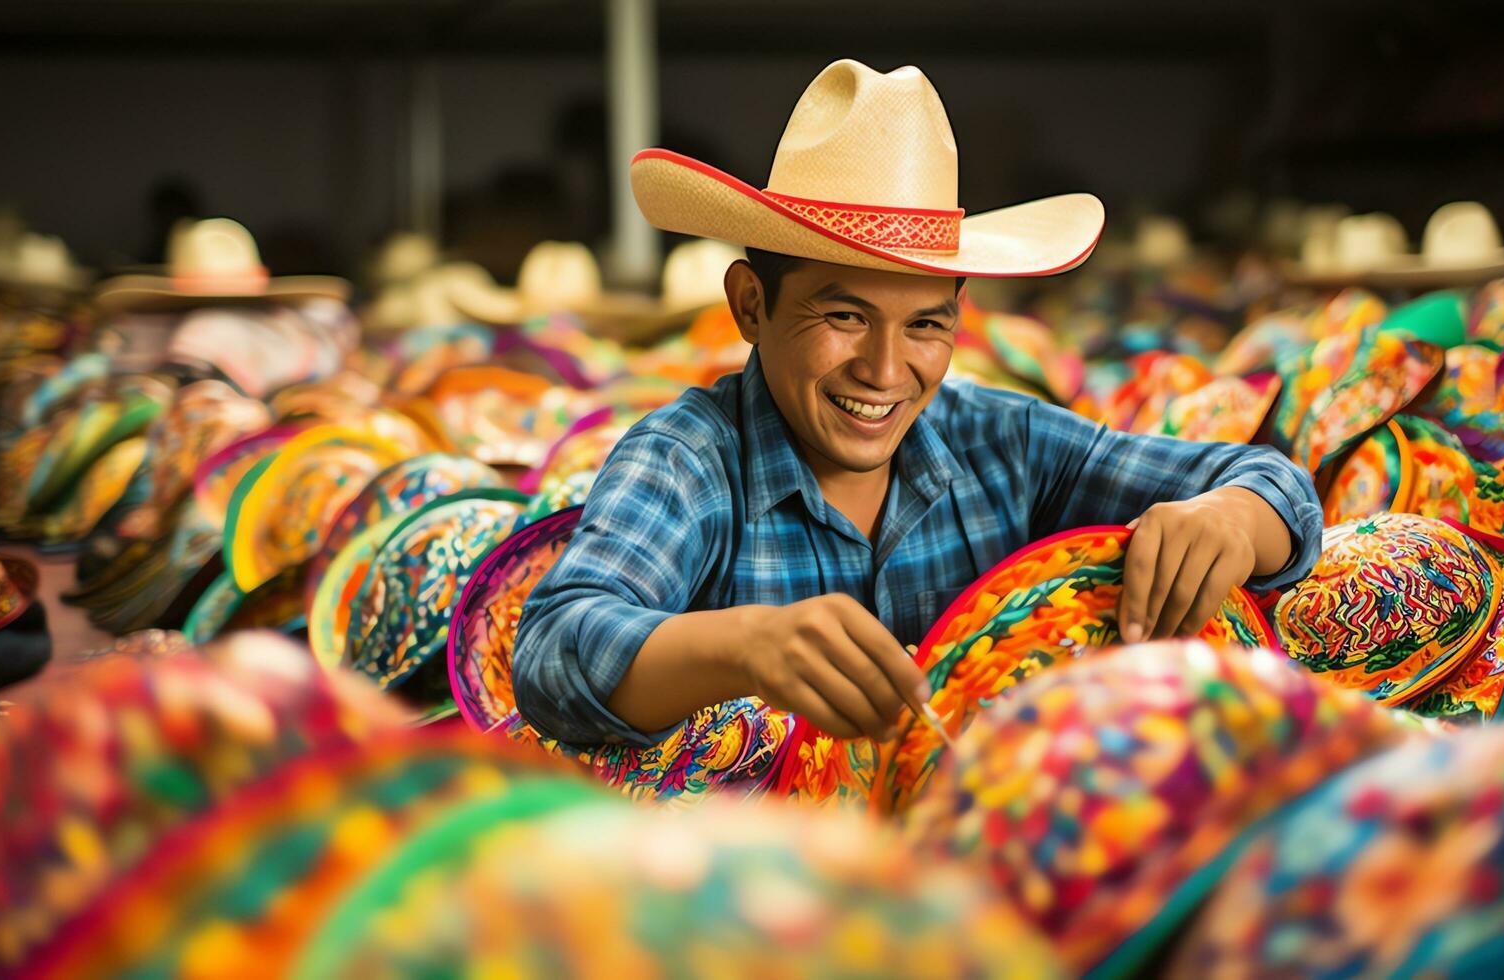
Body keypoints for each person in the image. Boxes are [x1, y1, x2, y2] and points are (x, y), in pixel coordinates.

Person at [513, 60, 1322, 747]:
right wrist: (743, 645)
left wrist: (1228, 519)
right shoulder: (688, 458)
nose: (885, 369)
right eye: (843, 316)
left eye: (925, 325)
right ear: (750, 304)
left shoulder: (1000, 440)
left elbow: (1269, 481)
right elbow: (554, 649)